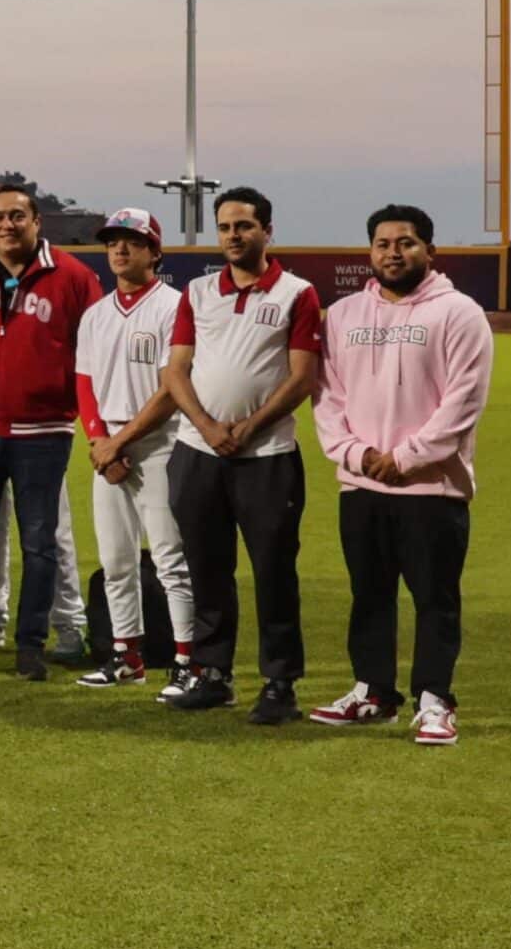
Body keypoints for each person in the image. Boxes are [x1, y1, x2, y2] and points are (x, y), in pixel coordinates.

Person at [309, 204, 491, 745]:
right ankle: (374, 693)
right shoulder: (342, 316)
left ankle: (435, 700)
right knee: (369, 594)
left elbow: (463, 404)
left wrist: (405, 456)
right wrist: (356, 454)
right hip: (362, 485)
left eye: (406, 243)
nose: (394, 252)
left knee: (434, 597)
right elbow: (326, 398)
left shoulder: (459, 313)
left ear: (430, 251)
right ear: (370, 251)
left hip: (432, 488)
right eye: (383, 243)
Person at [160, 186, 321, 722]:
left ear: (267, 231)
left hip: (268, 455)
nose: (233, 236)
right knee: (207, 568)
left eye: (244, 227)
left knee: (274, 572)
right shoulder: (199, 291)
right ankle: (212, 673)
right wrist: (207, 427)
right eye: (225, 227)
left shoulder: (298, 293)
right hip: (197, 451)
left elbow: (302, 378)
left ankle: (279, 683)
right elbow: (175, 370)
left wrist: (248, 427)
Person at [0, 182, 103, 680]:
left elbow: (91, 353)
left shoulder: (73, 276)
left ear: (36, 222)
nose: (6, 225)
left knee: (40, 544)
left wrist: (78, 414)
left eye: (16, 216)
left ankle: (30, 644)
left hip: (43, 433)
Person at [72, 209, 191, 693]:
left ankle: (188, 660)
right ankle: (126, 655)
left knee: (170, 559)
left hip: (161, 444)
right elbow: (84, 383)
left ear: (154, 251)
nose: (120, 250)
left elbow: (171, 388)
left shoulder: (175, 306)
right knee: (117, 559)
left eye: (133, 242)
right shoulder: (96, 314)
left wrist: (118, 443)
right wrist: (100, 441)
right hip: (109, 448)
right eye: (114, 242)